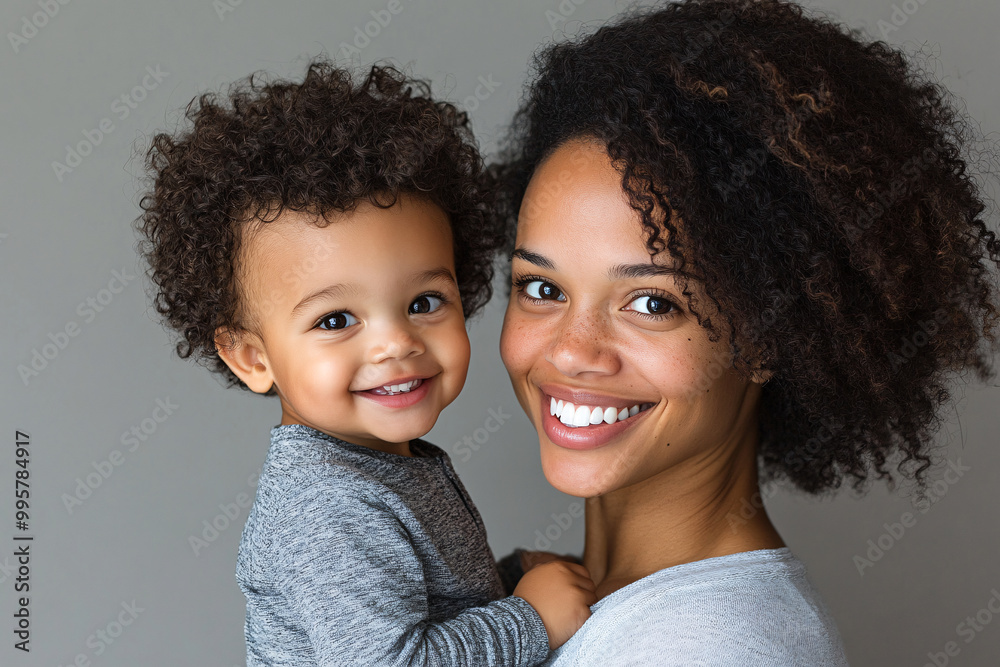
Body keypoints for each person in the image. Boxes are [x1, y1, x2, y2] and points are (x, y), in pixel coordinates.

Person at [492, 0, 1000, 664]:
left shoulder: (717, 650)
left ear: (764, 332)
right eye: (542, 288)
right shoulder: (558, 607)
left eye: (651, 303)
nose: (570, 349)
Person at [135, 58, 596, 666]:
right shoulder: (327, 507)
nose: (395, 344)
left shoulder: (373, 469)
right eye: (335, 321)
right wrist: (529, 619)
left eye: (424, 302)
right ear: (252, 357)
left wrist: (509, 579)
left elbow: (412, 604)